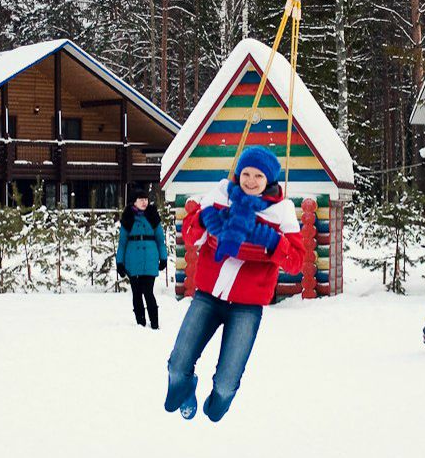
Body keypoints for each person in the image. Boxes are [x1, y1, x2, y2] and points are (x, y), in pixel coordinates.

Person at [163, 146, 305, 422]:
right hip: (208, 296)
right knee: (177, 368)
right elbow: (191, 236)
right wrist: (204, 219)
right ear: (238, 174)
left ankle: (218, 400)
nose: (251, 181)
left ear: (269, 181)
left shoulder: (282, 211)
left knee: (226, 387)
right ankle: (188, 386)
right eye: (246, 174)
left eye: (258, 176)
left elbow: (296, 261)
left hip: (246, 308)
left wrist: (274, 242)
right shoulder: (220, 195)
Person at [116, 188, 168, 329]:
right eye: (141, 199)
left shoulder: (153, 216)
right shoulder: (128, 217)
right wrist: (119, 262)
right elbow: (122, 243)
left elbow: (160, 240)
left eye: (146, 199)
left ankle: (155, 323)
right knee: (137, 292)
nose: (145, 202)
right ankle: (140, 323)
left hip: (150, 259)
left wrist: (163, 258)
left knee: (148, 291)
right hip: (132, 260)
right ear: (135, 201)